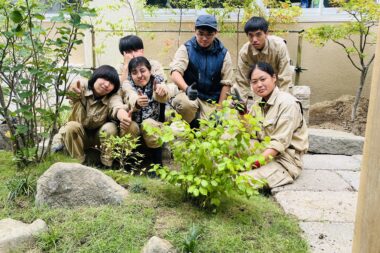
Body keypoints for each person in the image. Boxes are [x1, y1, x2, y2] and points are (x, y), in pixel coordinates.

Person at [242, 62, 308, 189]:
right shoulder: (258, 104)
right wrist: (242, 113)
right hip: (262, 149)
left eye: (263, 79)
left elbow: (278, 145)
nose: (259, 85)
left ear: (274, 78)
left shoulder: (288, 104)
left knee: (241, 181)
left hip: (284, 161)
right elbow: (249, 132)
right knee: (226, 144)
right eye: (254, 82)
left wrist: (252, 164)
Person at [52, 65, 125, 167]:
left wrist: (123, 115)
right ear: (95, 77)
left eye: (112, 83)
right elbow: (73, 88)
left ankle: (106, 165)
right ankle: (79, 164)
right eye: (104, 79)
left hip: (97, 137)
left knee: (110, 127)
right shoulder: (82, 86)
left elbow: (117, 106)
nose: (107, 84)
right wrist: (72, 90)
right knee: (70, 126)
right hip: (78, 135)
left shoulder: (113, 96)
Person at [169, 14, 234, 125]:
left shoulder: (223, 53)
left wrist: (219, 109)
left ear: (216, 33)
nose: (204, 38)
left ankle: (199, 125)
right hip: (190, 97)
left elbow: (226, 83)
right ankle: (187, 125)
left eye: (209, 35)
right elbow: (175, 72)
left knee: (217, 128)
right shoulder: (186, 48)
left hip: (211, 101)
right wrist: (187, 89)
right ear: (195, 31)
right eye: (201, 34)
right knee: (184, 104)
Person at [119, 56, 171, 165]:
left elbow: (166, 93)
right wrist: (137, 102)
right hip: (135, 129)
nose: (139, 75)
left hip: (156, 127)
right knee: (129, 125)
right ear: (130, 75)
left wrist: (162, 91)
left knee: (148, 124)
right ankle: (128, 163)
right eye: (134, 72)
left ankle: (157, 165)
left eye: (143, 71)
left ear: (150, 71)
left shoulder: (157, 82)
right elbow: (130, 94)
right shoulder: (127, 84)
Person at [235, 16, 294, 100]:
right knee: (259, 110)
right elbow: (242, 82)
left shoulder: (279, 46)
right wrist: (241, 106)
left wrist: (284, 102)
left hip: (278, 87)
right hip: (259, 90)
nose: (254, 39)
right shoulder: (244, 52)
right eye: (250, 35)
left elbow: (285, 78)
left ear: (266, 33)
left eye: (258, 34)